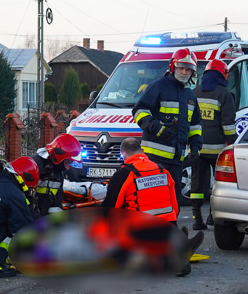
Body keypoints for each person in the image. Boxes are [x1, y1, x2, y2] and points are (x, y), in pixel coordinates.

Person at [101, 138, 200, 276]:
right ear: (142, 151)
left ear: (123, 155)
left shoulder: (123, 174)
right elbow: (175, 206)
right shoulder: (162, 171)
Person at [132, 47, 202, 204]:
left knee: (172, 201)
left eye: (188, 70)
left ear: (193, 72)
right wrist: (155, 127)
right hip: (154, 158)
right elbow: (139, 110)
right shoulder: (159, 87)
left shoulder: (191, 96)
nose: (184, 72)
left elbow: (195, 124)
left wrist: (196, 145)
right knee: (153, 200)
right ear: (173, 66)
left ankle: (170, 227)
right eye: (181, 68)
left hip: (177, 161)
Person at [190, 58, 236, 230]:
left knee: (196, 183)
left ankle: (196, 219)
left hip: (197, 148)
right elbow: (229, 126)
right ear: (221, 75)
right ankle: (211, 217)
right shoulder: (224, 95)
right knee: (217, 183)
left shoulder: (194, 92)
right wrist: (233, 145)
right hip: (217, 150)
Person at [32, 133, 81, 216]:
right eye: (67, 163)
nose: (68, 168)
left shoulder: (58, 176)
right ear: (59, 158)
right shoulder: (34, 166)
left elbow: (56, 205)